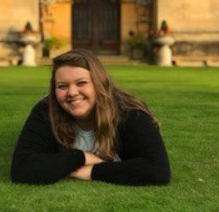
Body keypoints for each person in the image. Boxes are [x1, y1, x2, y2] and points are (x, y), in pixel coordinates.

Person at [11, 49, 171, 185]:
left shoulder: (130, 113)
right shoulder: (46, 111)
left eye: (81, 83)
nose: (72, 92)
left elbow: (157, 170)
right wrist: (82, 157)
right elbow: (22, 168)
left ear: (98, 83)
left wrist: (94, 171)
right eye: (62, 86)